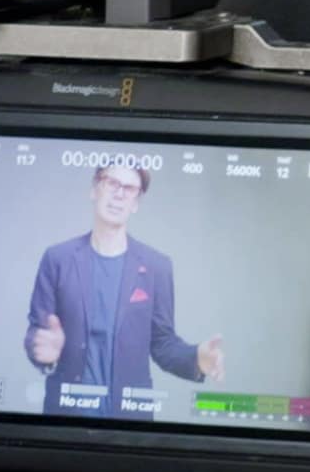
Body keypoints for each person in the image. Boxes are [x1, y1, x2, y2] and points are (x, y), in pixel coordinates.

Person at [24, 158, 218, 417]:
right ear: (94, 189)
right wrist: (42, 351)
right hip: (65, 419)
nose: (119, 194)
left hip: (129, 424)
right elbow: (38, 331)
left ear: (136, 202)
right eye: (111, 182)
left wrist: (197, 360)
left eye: (129, 188)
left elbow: (162, 343)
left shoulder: (157, 266)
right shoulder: (57, 258)